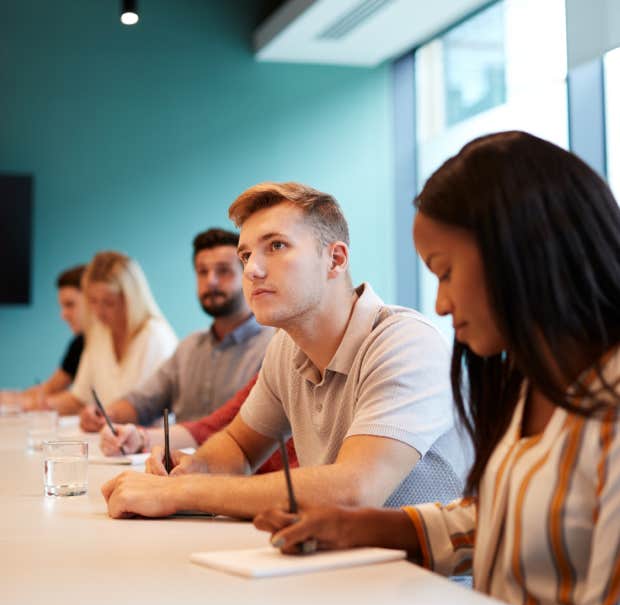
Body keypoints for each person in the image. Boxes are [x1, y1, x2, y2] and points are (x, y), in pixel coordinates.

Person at [254, 132, 620, 605]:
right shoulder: (535, 382)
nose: (442, 304)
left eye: (445, 273)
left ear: (520, 256)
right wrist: (359, 527)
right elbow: (504, 515)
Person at [101, 181, 467, 520]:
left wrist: (184, 492)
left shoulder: (405, 343)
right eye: (245, 255)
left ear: (336, 260)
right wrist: (194, 469)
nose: (253, 270)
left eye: (276, 246)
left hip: (422, 583)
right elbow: (239, 446)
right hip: (336, 568)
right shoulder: (286, 348)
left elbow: (355, 491)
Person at [80, 228, 273, 432]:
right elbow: (143, 401)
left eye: (223, 271)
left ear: (247, 274)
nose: (211, 281)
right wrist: (106, 415)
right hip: (177, 460)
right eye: (202, 272)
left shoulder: (271, 347)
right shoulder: (189, 347)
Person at [47, 251, 177, 416]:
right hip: (109, 436)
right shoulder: (99, 334)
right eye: (93, 301)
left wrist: (105, 416)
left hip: (148, 438)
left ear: (131, 299)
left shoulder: (155, 337)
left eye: (109, 303)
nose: (99, 312)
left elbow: (149, 409)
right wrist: (37, 405)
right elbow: (79, 398)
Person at [100, 374, 298, 474]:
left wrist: (193, 491)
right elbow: (218, 432)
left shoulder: (269, 345)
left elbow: (322, 487)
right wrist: (141, 438)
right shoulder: (281, 355)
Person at [1, 265, 86, 411]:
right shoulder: (80, 343)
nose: (63, 314)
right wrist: (15, 397)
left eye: (70, 305)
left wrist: (20, 404)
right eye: (62, 306)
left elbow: (78, 400)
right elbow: (52, 387)